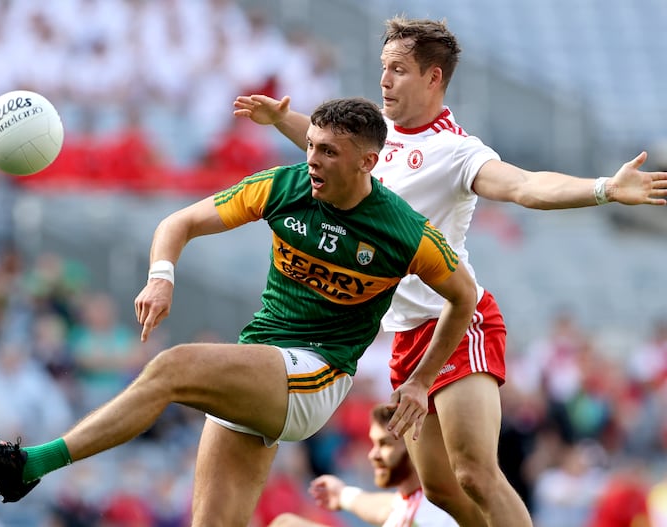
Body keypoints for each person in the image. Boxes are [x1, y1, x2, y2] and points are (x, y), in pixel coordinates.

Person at [0, 97, 478, 527]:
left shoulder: (405, 231)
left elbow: (464, 297)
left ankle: (29, 465)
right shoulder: (285, 186)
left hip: (317, 374)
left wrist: (420, 380)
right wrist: (161, 276)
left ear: (368, 162)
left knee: (172, 366)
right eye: (312, 145)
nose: (313, 159)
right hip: (260, 364)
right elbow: (178, 223)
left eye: (329, 152)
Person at [232, 16, 667, 527]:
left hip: (458, 323)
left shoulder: (457, 150)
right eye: (382, 68)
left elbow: (524, 186)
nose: (384, 80)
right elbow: (322, 141)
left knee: (475, 474)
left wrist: (603, 189)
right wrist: (281, 119)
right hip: (404, 333)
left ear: (433, 77)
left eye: (397, 70)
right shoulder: (375, 132)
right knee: (440, 489)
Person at [269, 404, 457, 527]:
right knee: (285, 523)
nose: (372, 454)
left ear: (416, 447)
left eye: (384, 444)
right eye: (373, 444)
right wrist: (342, 494)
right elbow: (387, 507)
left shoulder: (449, 503)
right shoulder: (404, 504)